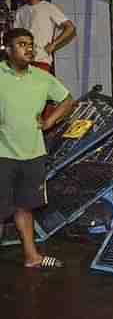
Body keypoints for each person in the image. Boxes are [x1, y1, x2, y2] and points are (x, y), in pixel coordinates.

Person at [0, 28, 75, 268]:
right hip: (3, 153)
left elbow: (67, 100)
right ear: (8, 50)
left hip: (33, 153)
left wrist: (50, 122)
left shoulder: (42, 77)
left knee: (25, 207)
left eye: (31, 44)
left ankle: (32, 257)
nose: (29, 49)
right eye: (22, 44)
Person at [14, 0, 76, 74]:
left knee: (39, 88)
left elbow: (70, 27)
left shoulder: (48, 7)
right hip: (23, 61)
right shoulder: (20, 11)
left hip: (41, 59)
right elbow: (16, 36)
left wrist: (53, 44)